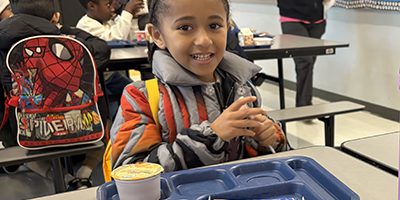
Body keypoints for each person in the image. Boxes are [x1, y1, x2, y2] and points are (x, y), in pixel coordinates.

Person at [108, 0, 288, 172]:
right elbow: (129, 171)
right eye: (185, 28)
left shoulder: (243, 88)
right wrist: (210, 138)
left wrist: (268, 139)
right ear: (157, 35)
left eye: (214, 26)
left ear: (228, 26)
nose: (204, 40)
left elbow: (273, 159)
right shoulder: (142, 98)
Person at [0, 0, 110, 189]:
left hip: (25, 132)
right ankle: (84, 174)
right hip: (83, 126)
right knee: (107, 117)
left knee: (14, 135)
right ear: (54, 16)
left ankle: (65, 179)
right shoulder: (70, 39)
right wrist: (62, 31)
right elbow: (102, 51)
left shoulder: (4, 41)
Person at [77, 0, 146, 119]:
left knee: (135, 91)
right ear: (92, 6)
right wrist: (127, 12)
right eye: (108, 5)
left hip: (111, 75)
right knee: (135, 94)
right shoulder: (86, 26)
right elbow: (115, 38)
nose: (112, 9)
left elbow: (129, 37)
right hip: (100, 79)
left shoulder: (107, 21)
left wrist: (132, 18)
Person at [277, 0, 335, 107]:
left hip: (317, 19)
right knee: (305, 61)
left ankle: (304, 103)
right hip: (292, 18)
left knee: (310, 62)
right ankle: (304, 105)